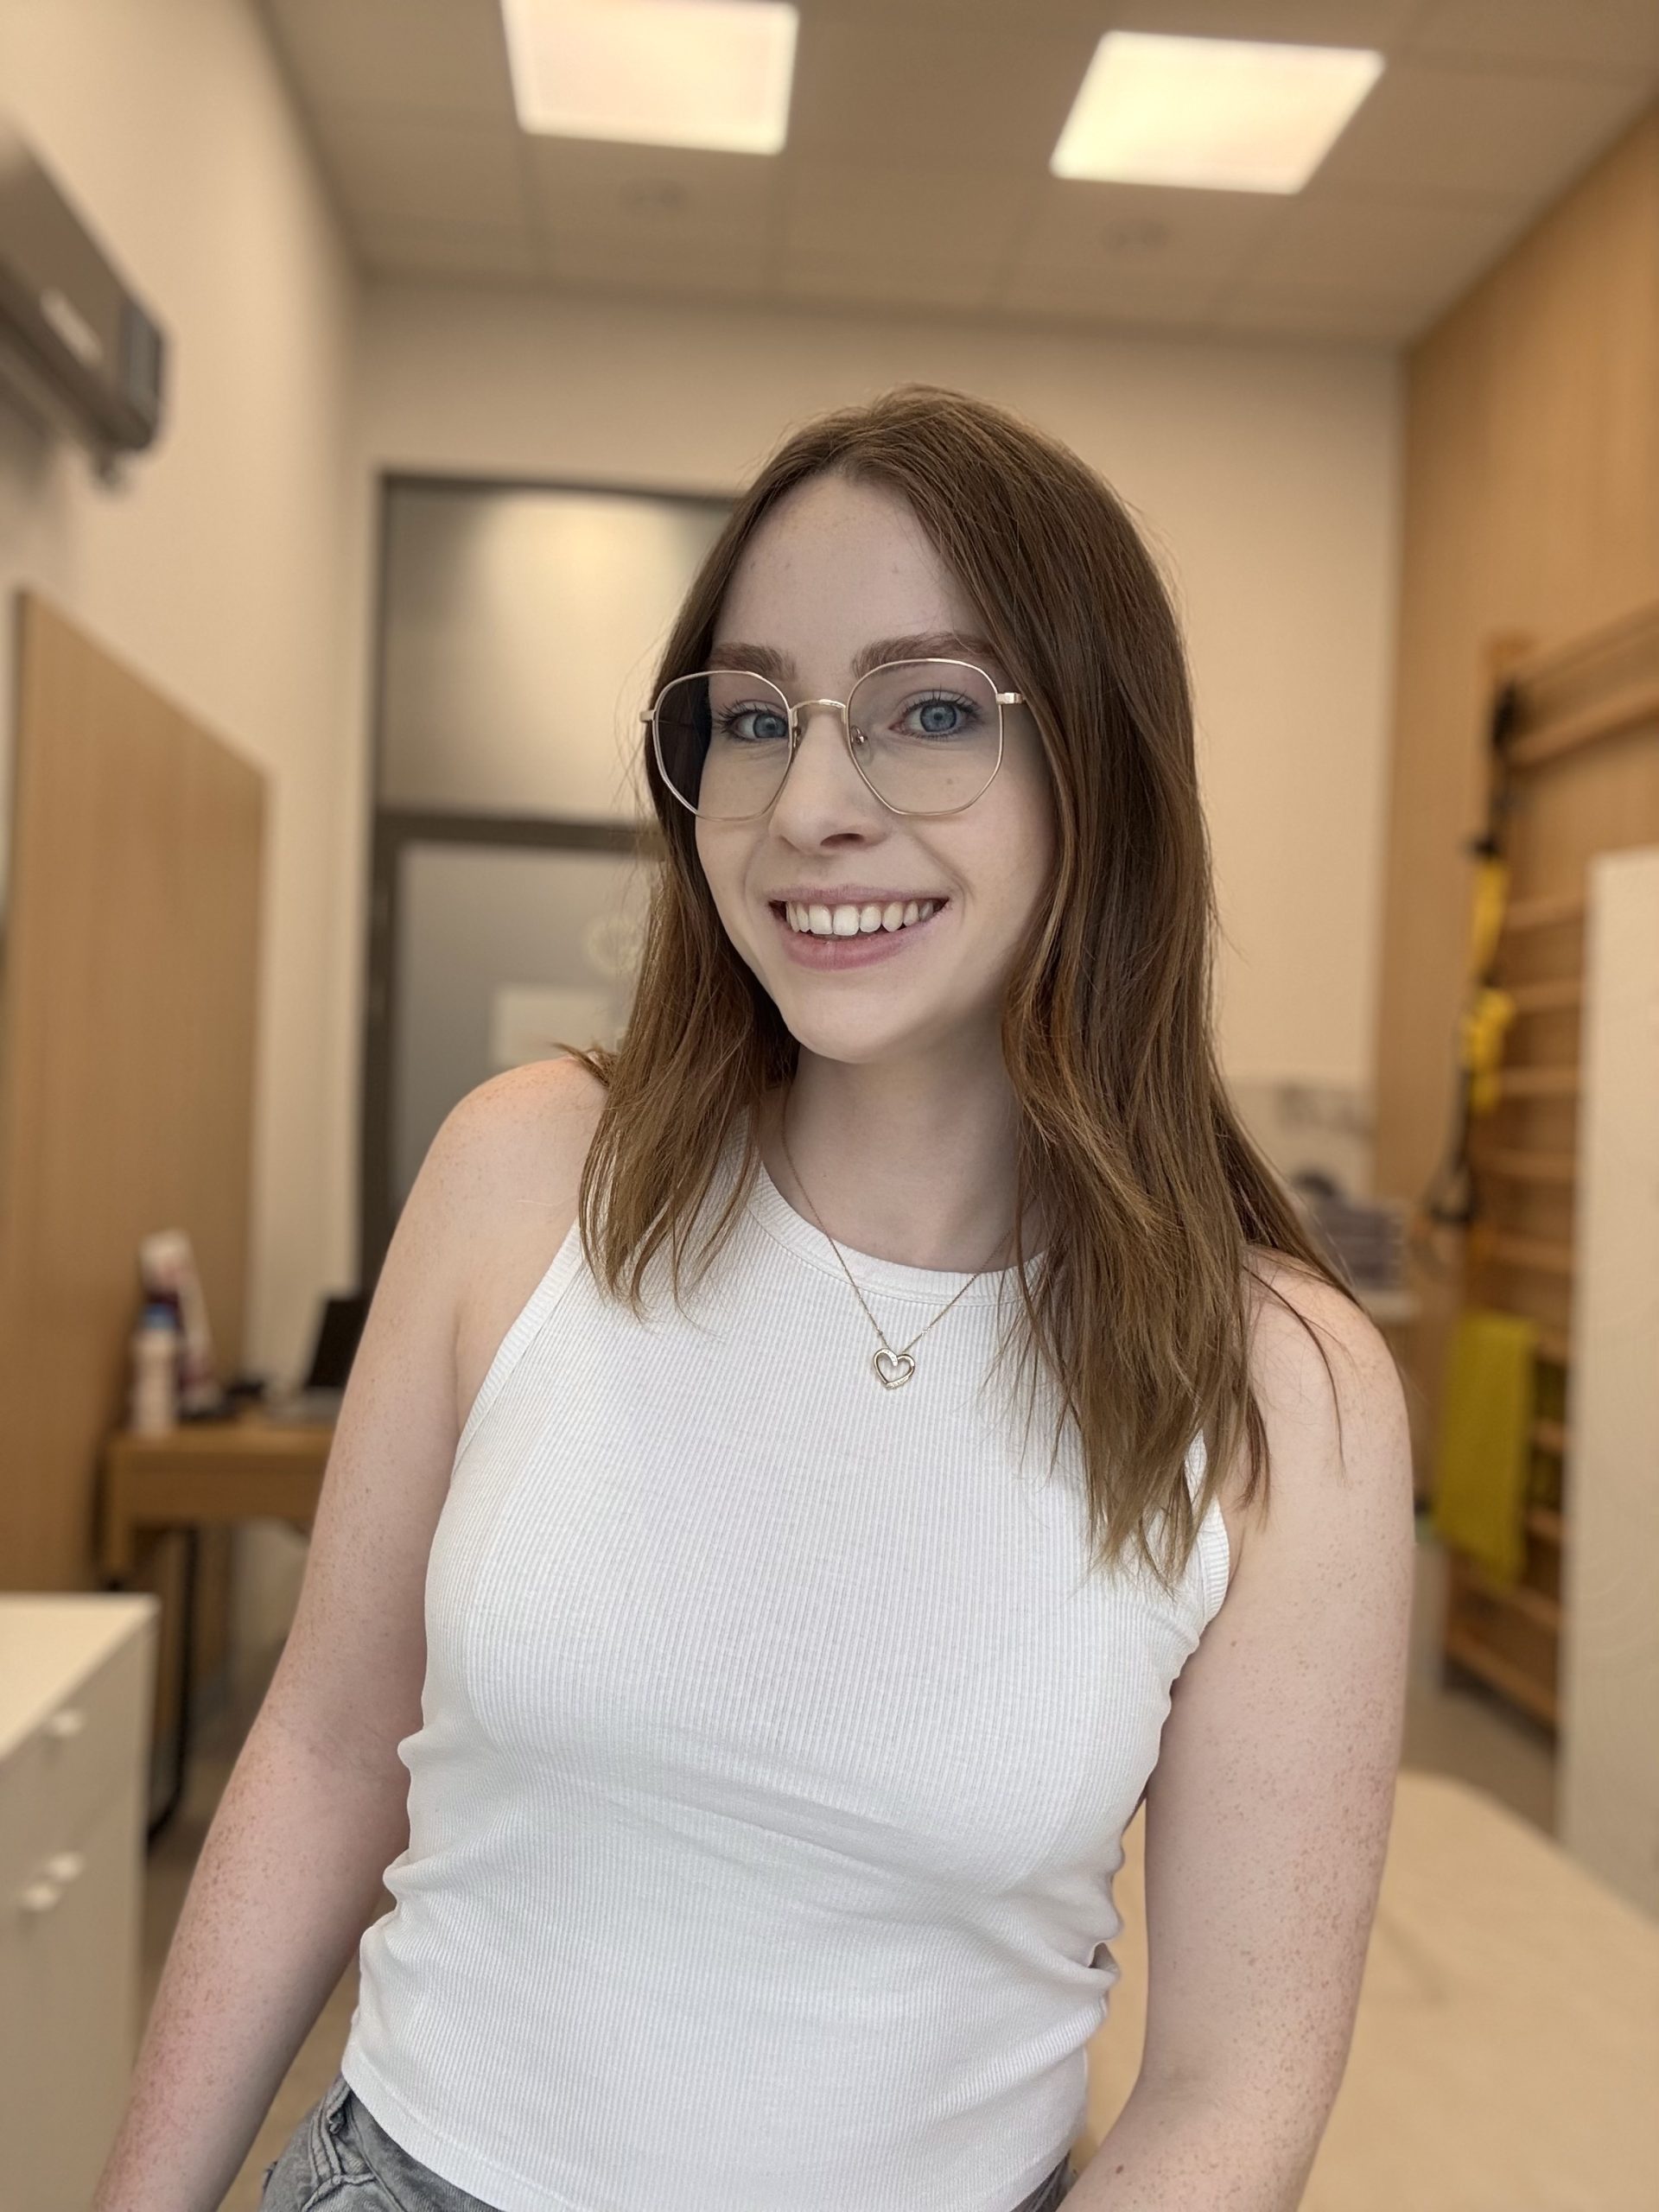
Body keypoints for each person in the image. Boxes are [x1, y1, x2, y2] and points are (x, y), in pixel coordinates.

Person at [92, 386, 1414, 2212]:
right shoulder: (527, 1174)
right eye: (753, 716)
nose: (808, 807)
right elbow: (323, 1755)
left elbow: (1232, 2090)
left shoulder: (1282, 1388)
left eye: (930, 711)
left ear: (1101, 771)